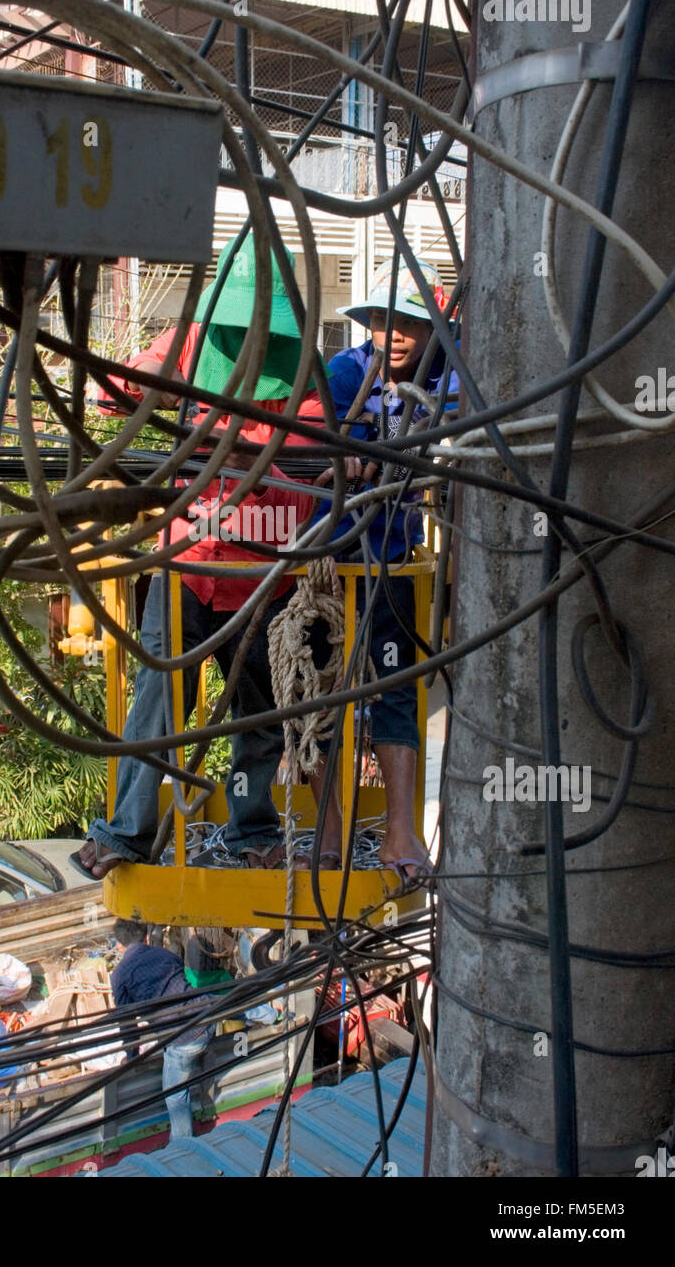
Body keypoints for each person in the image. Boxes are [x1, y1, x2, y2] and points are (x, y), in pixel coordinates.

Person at [75, 236, 326, 879]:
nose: (244, 342)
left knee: (260, 718)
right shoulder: (188, 346)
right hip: (184, 565)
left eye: (257, 329)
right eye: (234, 328)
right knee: (157, 700)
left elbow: (309, 455)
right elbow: (120, 393)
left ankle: (253, 831)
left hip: (261, 578)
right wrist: (136, 394)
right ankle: (125, 831)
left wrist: (246, 455)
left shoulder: (303, 370)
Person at [308, 260, 457, 885]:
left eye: (407, 323)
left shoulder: (446, 381)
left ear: (430, 332)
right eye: (378, 320)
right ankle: (328, 830)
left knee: (397, 692)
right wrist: (365, 449)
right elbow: (336, 448)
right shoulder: (342, 372)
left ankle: (401, 830)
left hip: (394, 562)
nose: (390, 333)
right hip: (330, 560)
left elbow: (448, 439)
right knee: (321, 698)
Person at [109, 918, 214, 1141]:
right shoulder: (165, 955)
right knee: (227, 998)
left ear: (119, 945)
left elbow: (128, 1025)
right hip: (207, 1018)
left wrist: (132, 1057)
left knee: (175, 1097)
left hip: (184, 1041)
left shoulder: (119, 975)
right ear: (146, 937)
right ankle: (272, 1014)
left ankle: (183, 1146)